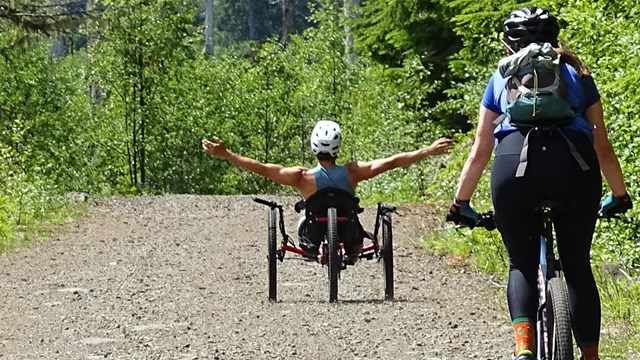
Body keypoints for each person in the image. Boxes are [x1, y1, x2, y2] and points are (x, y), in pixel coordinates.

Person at [447, 7, 632, 360]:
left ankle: (523, 349)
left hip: (514, 168)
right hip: (574, 167)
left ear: (509, 44)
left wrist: (460, 204)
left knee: (521, 263)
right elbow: (603, 149)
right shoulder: (578, 71)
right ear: (555, 37)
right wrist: (619, 195)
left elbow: (480, 150)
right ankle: (590, 356)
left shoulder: (502, 76)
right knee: (577, 265)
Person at [202, 120, 452, 258]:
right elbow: (392, 161)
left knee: (304, 217)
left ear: (313, 146)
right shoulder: (353, 172)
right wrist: (427, 150)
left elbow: (262, 168)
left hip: (311, 238)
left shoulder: (301, 177)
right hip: (350, 236)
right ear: (338, 146)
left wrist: (227, 154)